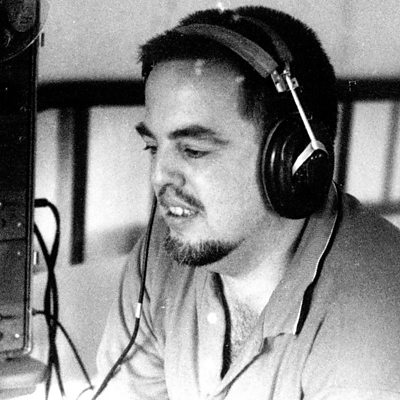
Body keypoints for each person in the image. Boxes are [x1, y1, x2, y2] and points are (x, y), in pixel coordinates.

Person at [96, 5, 400, 399]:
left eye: (193, 150)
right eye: (153, 147)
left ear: (292, 163)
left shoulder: (373, 323)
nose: (158, 178)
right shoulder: (166, 247)